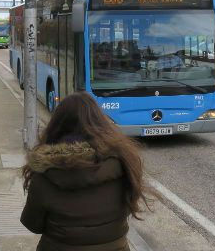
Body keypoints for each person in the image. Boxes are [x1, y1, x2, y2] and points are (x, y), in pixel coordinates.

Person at [20, 92, 155, 251]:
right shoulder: (124, 165)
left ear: (56, 126)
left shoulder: (44, 175)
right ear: (100, 123)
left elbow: (33, 225)